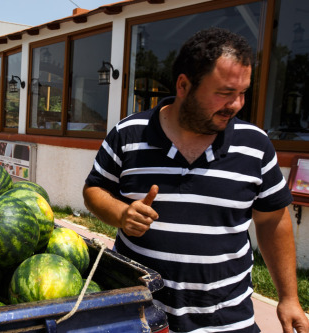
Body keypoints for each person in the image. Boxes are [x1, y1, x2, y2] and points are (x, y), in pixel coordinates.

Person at [83, 27, 309, 333]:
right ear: (184, 85)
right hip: (141, 318)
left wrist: (289, 297)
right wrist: (121, 213)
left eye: (243, 92)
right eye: (225, 93)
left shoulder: (255, 145)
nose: (237, 104)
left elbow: (272, 221)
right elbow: (95, 189)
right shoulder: (129, 134)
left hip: (227, 321)